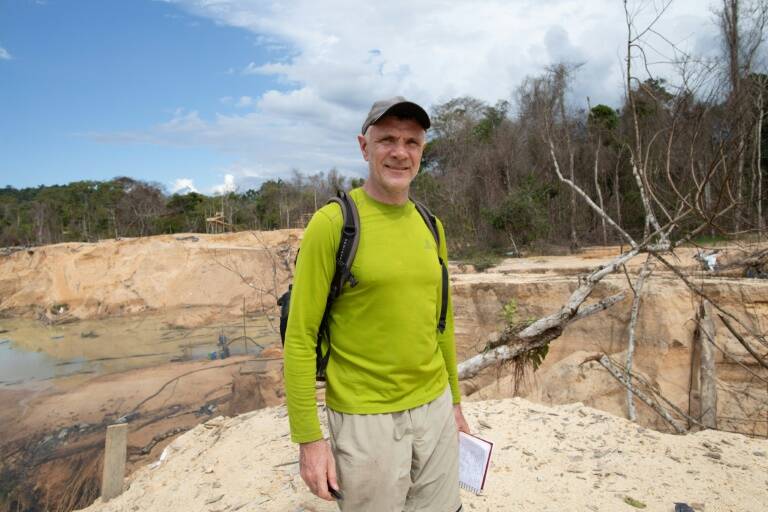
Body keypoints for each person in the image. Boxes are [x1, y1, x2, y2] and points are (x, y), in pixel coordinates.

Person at [283, 96, 469, 511]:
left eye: (412, 142)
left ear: (422, 151)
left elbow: (443, 325)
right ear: (364, 147)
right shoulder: (332, 225)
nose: (400, 152)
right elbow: (300, 337)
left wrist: (454, 405)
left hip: (435, 409)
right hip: (365, 420)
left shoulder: (431, 225)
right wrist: (310, 441)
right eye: (387, 140)